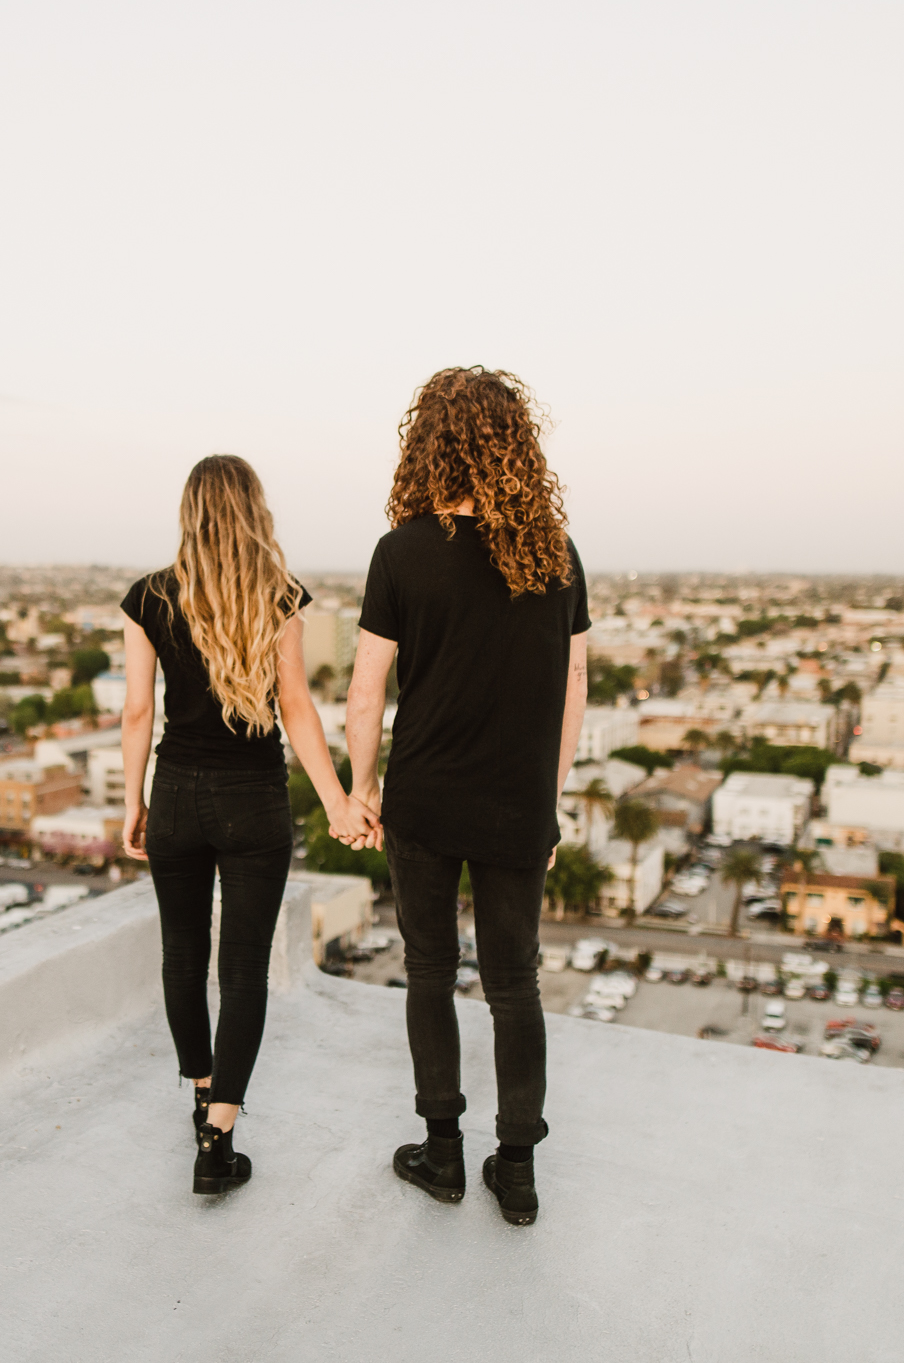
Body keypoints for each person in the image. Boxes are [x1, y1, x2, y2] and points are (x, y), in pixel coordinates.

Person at [346, 367, 589, 1227]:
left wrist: (360, 785)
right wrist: (547, 798)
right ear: (518, 443)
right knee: (514, 980)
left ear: (428, 441)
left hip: (426, 794)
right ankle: (516, 1168)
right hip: (515, 801)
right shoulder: (556, 551)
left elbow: (366, 693)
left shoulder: (402, 549)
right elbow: (573, 691)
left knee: (429, 969)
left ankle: (441, 1153)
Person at [120, 454, 378, 1197]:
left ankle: (201, 1089)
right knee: (242, 971)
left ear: (189, 511)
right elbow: (296, 706)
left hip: (174, 792)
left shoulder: (149, 596)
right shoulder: (280, 594)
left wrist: (131, 800)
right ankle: (219, 1135)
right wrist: (334, 799)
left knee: (181, 954)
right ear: (253, 511)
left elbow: (138, 711)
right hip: (253, 798)